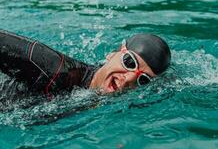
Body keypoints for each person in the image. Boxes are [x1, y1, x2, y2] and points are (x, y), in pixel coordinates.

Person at [0, 30, 171, 97]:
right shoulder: (53, 68)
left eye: (143, 80)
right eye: (130, 62)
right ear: (114, 54)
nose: (128, 79)